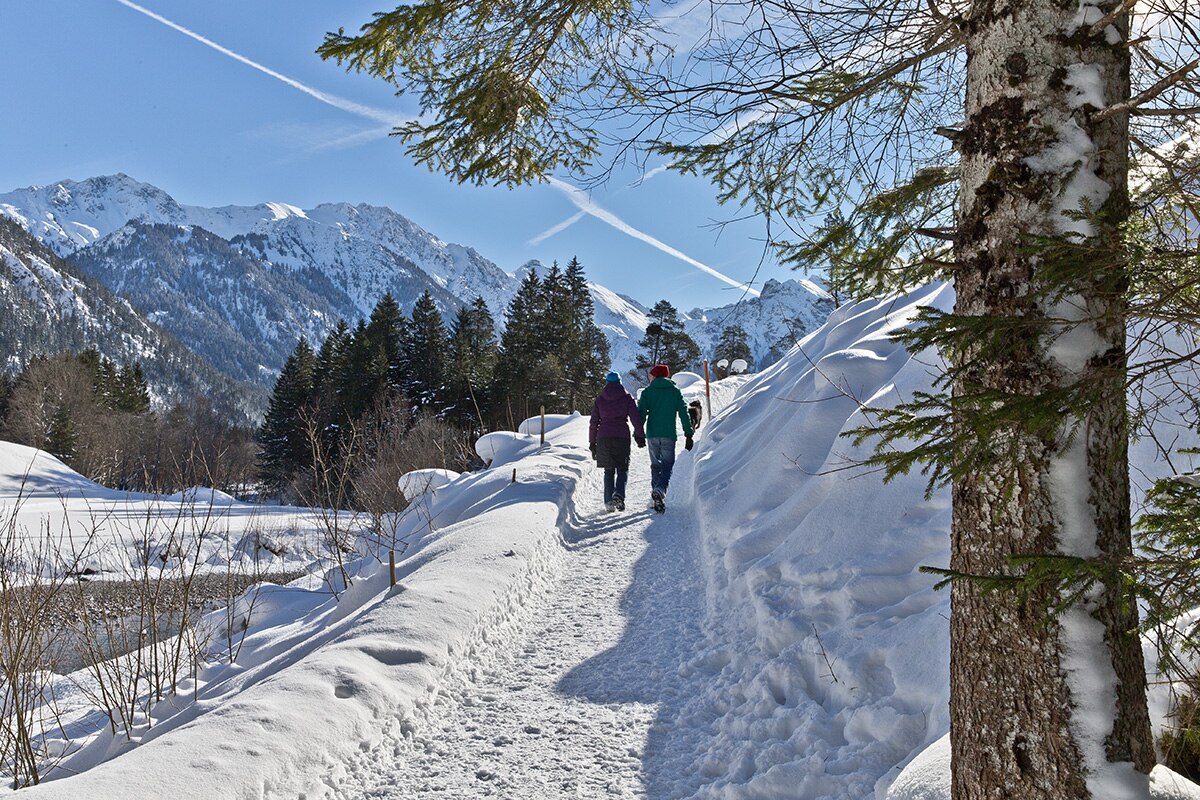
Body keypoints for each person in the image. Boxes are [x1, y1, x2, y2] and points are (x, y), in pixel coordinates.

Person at [637, 364, 694, 513]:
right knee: (667, 465)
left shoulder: (647, 392)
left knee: (656, 465)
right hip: (669, 434)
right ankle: (660, 491)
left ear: (655, 376)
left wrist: (638, 433)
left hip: (652, 434)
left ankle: (656, 495)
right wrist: (688, 433)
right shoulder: (675, 392)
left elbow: (641, 413)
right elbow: (684, 412)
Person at [589, 371, 646, 512]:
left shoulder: (600, 399)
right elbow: (635, 419)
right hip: (622, 436)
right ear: (620, 382)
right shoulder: (627, 398)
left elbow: (594, 422)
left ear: (607, 382)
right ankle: (619, 495)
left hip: (603, 437)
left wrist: (592, 443)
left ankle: (609, 502)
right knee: (622, 468)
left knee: (608, 470)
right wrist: (640, 436)